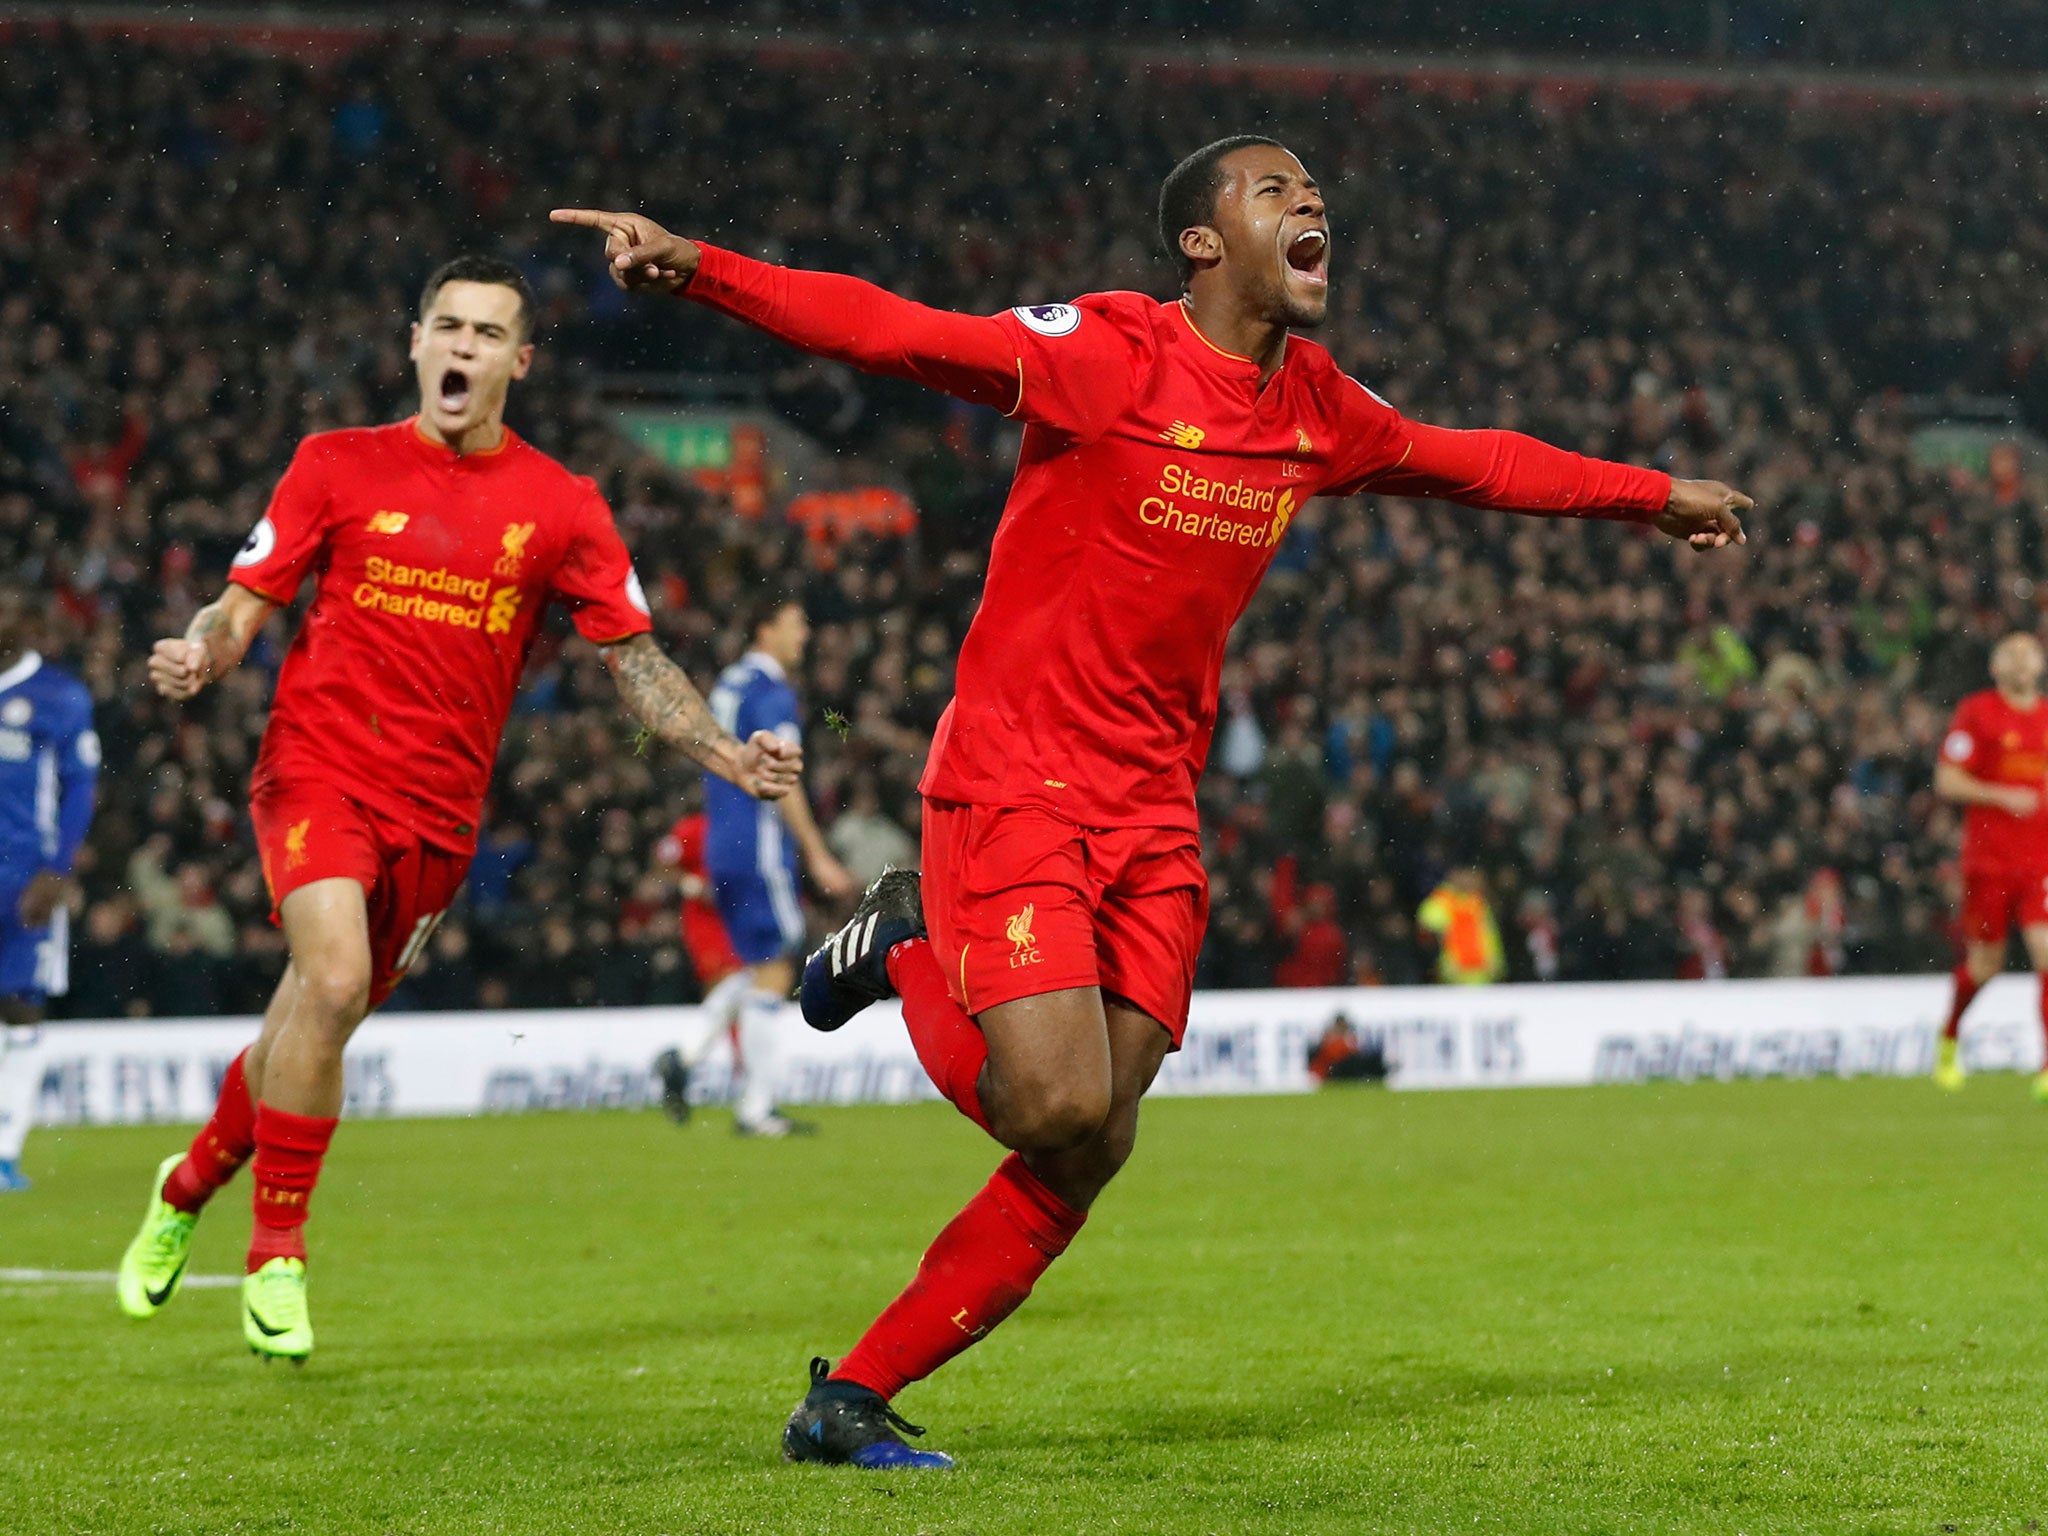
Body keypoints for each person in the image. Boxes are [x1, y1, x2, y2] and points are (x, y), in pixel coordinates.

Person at [556, 133, 1749, 1468]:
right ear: (1201, 240)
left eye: (1316, 190)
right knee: (1050, 1107)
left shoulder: (1316, 407)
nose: (1313, 204)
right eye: (1276, 190)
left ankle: (851, 1401)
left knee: (1093, 1142)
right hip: (1019, 775)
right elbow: (899, 332)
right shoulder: (1107, 353)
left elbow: (1471, 461)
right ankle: (903, 945)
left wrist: (1649, 498)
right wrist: (701, 269)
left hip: (1154, 807)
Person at [115, 256, 802, 1363]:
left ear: (517, 363)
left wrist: (723, 753)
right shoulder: (333, 466)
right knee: (331, 979)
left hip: (437, 817)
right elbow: (243, 603)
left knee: (310, 1020)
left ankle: (187, 1182)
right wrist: (203, 652)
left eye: (487, 333)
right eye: (447, 326)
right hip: (317, 770)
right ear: (415, 344)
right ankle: (276, 1252)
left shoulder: (561, 505)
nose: (463, 347)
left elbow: (633, 657)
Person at [652, 595, 855, 1136]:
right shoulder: (769, 693)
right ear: (764, 629)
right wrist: (816, 852)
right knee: (776, 965)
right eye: (795, 624)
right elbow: (779, 775)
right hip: (759, 840)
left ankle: (686, 1055)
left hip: (723, 838)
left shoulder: (729, 684)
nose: (804, 636)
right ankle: (757, 1109)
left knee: (754, 963)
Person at [0, 580, 100, 1191]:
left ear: (28, 627)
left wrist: (58, 870)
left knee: (20, 1004)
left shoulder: (57, 696)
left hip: (23, 880)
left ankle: (5, 1147)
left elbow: (81, 786)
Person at [1931, 632, 2048, 1095]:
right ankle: (1949, 1036)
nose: (2022, 661)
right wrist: (2000, 795)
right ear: (1996, 667)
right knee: (1985, 967)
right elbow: (1946, 779)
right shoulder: (1977, 713)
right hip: (1989, 862)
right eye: (2011, 654)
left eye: (2029, 654)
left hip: (2040, 864)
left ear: (2040, 665)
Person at [1416, 869, 1507, 986]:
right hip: (1454, 972)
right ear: (1455, 876)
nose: (1473, 881)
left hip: (1482, 970)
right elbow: (1426, 925)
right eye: (1469, 876)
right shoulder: (1442, 900)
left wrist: (1497, 963)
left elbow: (1489, 934)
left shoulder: (1477, 901)